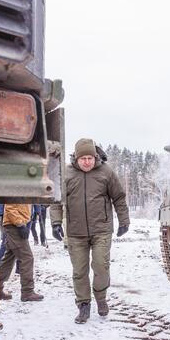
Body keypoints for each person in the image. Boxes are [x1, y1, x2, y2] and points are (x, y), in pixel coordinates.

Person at [51, 138, 129, 324]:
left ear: (95, 157)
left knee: (101, 267)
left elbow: (118, 197)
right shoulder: (67, 174)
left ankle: (101, 299)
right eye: (83, 158)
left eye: (90, 158)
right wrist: (55, 223)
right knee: (79, 270)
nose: (87, 161)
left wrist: (124, 220)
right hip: (76, 232)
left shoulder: (106, 172)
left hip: (101, 229)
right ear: (76, 158)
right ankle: (83, 304)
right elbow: (56, 200)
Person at [0, 204, 44, 302]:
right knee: (27, 258)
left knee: (9, 259)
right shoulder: (18, 188)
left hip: (16, 223)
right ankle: (27, 292)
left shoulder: (25, 189)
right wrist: (20, 224)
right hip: (15, 225)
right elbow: (10, 208)